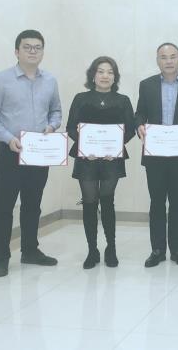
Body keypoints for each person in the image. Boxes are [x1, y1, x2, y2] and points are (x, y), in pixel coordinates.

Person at [0, 29, 62, 277]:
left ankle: (30, 251)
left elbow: (56, 111)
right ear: (17, 51)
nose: (33, 51)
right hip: (11, 151)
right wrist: (8, 138)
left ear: (43, 52)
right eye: (27, 47)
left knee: (32, 204)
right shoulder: (1, 80)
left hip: (39, 153)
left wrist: (52, 126)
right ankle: (2, 257)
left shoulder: (50, 81)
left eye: (38, 47)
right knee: (4, 206)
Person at [135, 43, 178, 268]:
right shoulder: (146, 85)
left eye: (173, 56)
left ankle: (177, 249)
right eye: (164, 57)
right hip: (154, 154)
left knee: (177, 203)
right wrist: (139, 126)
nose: (169, 61)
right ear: (158, 61)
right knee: (156, 203)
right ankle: (157, 250)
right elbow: (140, 113)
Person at [66, 56, 135, 269]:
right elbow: (71, 127)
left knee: (107, 201)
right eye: (101, 71)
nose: (105, 76)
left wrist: (115, 147)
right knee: (89, 202)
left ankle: (111, 248)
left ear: (115, 77)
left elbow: (130, 130)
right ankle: (92, 250)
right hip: (86, 159)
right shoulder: (81, 98)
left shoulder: (123, 100)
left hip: (112, 160)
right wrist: (85, 146)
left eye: (110, 72)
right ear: (93, 75)